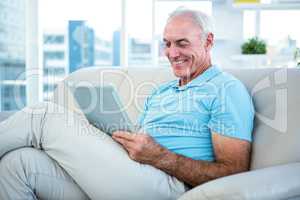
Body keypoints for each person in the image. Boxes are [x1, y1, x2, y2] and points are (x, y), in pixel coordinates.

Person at [0, 8, 254, 200]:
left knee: (43, 115)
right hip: (128, 173)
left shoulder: (226, 90)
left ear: (208, 41)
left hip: (168, 185)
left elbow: (234, 173)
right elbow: (141, 144)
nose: (172, 53)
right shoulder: (162, 91)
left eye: (182, 43)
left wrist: (162, 157)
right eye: (167, 44)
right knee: (19, 163)